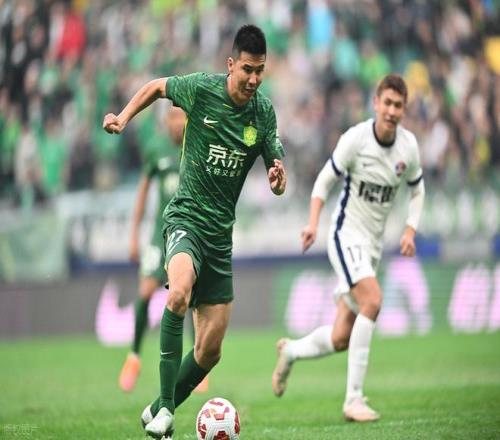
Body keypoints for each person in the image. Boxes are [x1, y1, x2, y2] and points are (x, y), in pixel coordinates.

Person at [103, 24, 286, 439]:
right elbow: (156, 86)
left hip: (220, 238)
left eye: (260, 70)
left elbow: (277, 166)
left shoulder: (263, 113)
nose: (253, 79)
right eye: (247, 69)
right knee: (178, 292)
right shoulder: (201, 89)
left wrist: (278, 180)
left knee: (209, 351)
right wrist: (124, 117)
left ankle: (156, 408)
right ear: (230, 65)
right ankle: (168, 410)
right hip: (185, 219)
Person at [271, 74, 425, 422]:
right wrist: (313, 223)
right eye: (387, 103)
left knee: (342, 336)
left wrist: (410, 230)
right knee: (373, 300)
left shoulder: (408, 147)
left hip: (372, 247)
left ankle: (291, 351)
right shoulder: (356, 140)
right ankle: (353, 399)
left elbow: (417, 189)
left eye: (398, 105)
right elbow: (324, 181)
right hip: (345, 235)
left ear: (404, 110)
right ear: (376, 103)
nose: (392, 111)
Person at [118, 105, 208, 394]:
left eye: (181, 117)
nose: (176, 122)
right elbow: (143, 191)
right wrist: (134, 236)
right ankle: (134, 357)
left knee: (188, 294)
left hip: (189, 232)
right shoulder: (156, 149)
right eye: (172, 117)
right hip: (160, 234)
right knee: (145, 291)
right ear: (166, 120)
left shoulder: (198, 145)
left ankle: (197, 362)